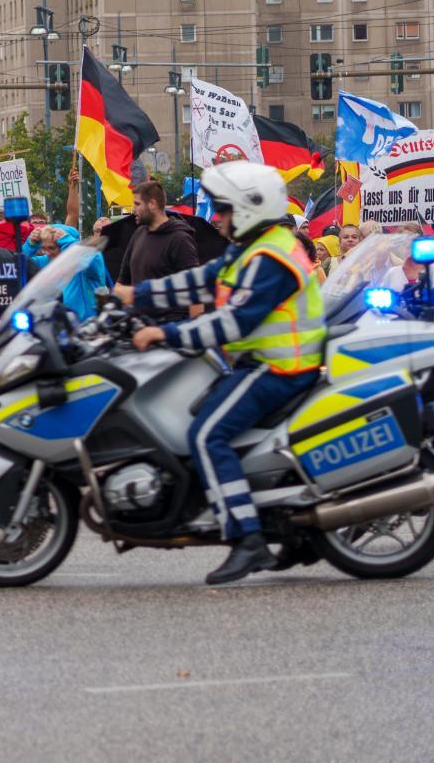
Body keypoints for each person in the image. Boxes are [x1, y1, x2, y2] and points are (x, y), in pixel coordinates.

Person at [113, 161, 325, 586]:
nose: (218, 218)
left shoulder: (272, 258)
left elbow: (233, 324)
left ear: (248, 208)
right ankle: (278, 526)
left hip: (281, 367)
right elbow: (205, 279)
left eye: (223, 209)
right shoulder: (255, 246)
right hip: (259, 362)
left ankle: (248, 540)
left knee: (207, 435)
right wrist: (136, 293)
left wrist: (163, 334)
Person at [122, 179, 202, 285]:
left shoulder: (180, 239)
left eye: (137, 204)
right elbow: (122, 281)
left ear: (152, 204)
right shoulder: (138, 233)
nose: (133, 208)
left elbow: (193, 289)